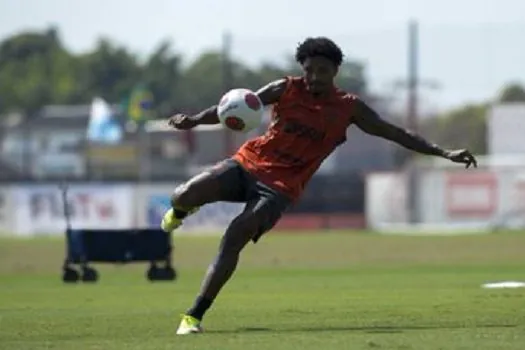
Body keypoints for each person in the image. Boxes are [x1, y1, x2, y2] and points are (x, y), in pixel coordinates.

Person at [162, 37, 478, 335]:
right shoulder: (285, 88)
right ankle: (179, 212)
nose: (314, 77)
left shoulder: (348, 108)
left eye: (322, 71)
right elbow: (236, 107)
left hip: (280, 187)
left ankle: (194, 316)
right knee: (183, 194)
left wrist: (443, 152)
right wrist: (193, 121)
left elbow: (394, 132)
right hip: (248, 163)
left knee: (235, 235)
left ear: (335, 72)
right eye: (309, 70)